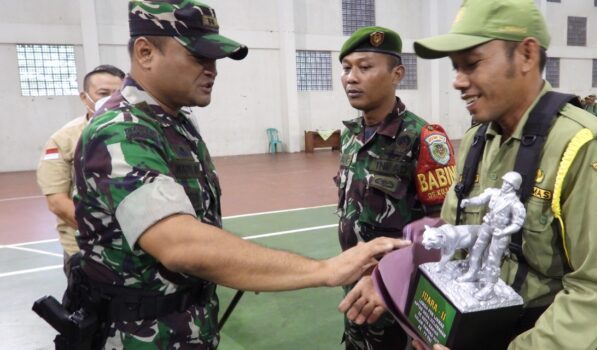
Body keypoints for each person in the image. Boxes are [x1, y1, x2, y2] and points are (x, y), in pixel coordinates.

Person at [69, 1, 410, 349]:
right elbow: (180, 244)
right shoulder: (120, 131)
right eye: (198, 57)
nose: (212, 69)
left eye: (214, 59)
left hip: (184, 328)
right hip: (137, 338)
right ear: (145, 52)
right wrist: (325, 270)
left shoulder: (173, 123)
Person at [343, 0, 597, 349]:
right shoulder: (477, 140)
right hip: (476, 328)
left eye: (472, 64)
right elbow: (455, 244)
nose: (457, 81)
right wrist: (428, 318)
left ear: (527, 55)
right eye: (456, 67)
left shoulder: (582, 146)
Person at [335, 26, 455, 350]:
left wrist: (392, 281)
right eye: (346, 68)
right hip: (356, 293)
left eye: (365, 67)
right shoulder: (350, 137)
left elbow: (443, 234)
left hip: (399, 303)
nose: (351, 77)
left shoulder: (424, 138)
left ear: (396, 74)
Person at [36, 64, 125, 274]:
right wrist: (111, 235)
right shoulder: (63, 140)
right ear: (85, 98)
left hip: (134, 250)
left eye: (118, 93)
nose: (111, 99)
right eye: (103, 93)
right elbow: (57, 203)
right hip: (87, 250)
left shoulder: (137, 132)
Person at [457, 172, 526, 301]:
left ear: (514, 186)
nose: (505, 185)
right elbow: (481, 199)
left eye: (509, 184)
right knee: (476, 249)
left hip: (500, 231)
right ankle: (472, 272)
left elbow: (517, 223)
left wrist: (504, 232)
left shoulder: (516, 204)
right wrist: (468, 201)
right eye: (505, 182)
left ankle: (489, 287)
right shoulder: (495, 192)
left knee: (493, 260)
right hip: (487, 224)